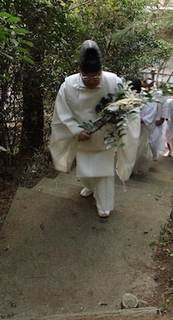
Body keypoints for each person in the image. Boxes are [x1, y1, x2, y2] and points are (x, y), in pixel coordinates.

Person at [49, 40, 140, 218]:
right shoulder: (67, 86)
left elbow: (129, 106)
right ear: (79, 70)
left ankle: (105, 205)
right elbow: (62, 114)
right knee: (85, 169)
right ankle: (90, 187)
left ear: (101, 70)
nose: (92, 81)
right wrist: (76, 130)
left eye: (96, 76)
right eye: (87, 77)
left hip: (106, 137)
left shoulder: (114, 81)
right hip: (83, 138)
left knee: (104, 171)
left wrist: (118, 120)